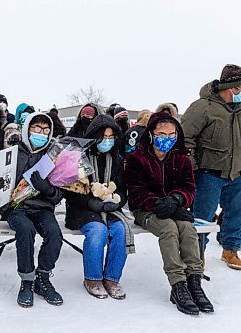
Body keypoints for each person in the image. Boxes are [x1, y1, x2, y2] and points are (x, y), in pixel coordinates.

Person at [125, 111, 214, 315]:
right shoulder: (137, 158)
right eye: (161, 134)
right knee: (169, 229)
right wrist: (158, 203)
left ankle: (194, 281)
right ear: (151, 134)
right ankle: (178, 285)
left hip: (174, 207)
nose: (166, 139)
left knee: (187, 229)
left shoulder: (181, 159)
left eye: (171, 135)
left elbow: (189, 188)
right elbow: (136, 191)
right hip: (145, 209)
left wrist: (176, 199)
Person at [0, 112, 64, 308]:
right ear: (27, 129)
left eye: (46, 130)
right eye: (36, 129)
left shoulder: (53, 158)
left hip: (42, 208)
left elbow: (58, 196)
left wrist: (46, 188)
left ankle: (43, 277)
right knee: (25, 230)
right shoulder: (11, 153)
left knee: (55, 234)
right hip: (16, 208)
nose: (41, 133)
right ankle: (27, 280)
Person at [181, 64, 241, 270]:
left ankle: (230, 250)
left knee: (236, 213)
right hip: (209, 174)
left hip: (237, 173)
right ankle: (198, 254)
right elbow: (185, 138)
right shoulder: (203, 107)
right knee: (202, 218)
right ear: (233, 87)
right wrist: (192, 168)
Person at [65, 114, 129, 299]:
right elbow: (70, 191)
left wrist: (117, 201)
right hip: (82, 209)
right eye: (103, 137)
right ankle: (92, 278)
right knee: (98, 231)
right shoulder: (80, 158)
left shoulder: (116, 159)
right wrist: (90, 202)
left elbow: (123, 189)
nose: (107, 141)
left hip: (109, 208)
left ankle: (111, 278)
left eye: (111, 137)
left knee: (120, 231)